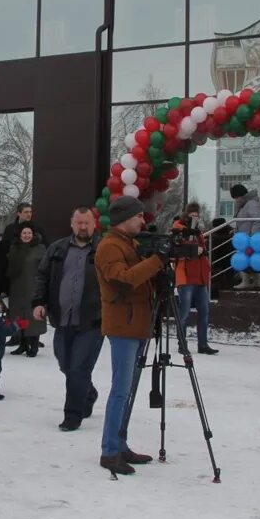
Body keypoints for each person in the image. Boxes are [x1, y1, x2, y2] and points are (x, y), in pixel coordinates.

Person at [94, 195, 165, 476]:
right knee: (120, 390)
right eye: (139, 216)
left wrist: (160, 265)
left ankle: (120, 444)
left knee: (128, 391)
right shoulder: (109, 247)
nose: (143, 220)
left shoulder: (130, 244)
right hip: (123, 326)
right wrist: (157, 261)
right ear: (125, 218)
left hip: (136, 324)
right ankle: (110, 451)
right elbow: (123, 281)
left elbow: (143, 278)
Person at [32, 207, 104, 432]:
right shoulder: (57, 248)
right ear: (72, 224)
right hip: (62, 320)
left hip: (92, 321)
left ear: (94, 224)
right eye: (79, 222)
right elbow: (41, 276)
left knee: (78, 369)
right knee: (65, 364)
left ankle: (72, 415)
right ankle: (88, 393)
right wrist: (38, 302)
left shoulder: (103, 249)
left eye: (87, 223)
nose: (83, 227)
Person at [173, 204, 217, 355]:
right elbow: (175, 249)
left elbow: (203, 250)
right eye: (192, 216)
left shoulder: (198, 233)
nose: (195, 219)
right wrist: (193, 249)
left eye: (197, 216)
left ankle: (203, 344)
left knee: (204, 312)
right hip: (185, 276)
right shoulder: (178, 229)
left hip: (199, 276)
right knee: (184, 313)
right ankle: (182, 344)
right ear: (186, 216)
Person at [6, 222, 47, 357]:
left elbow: (45, 268)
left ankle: (34, 345)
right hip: (17, 287)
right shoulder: (14, 248)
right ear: (20, 234)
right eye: (24, 233)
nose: (27, 235)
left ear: (33, 234)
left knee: (33, 317)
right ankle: (22, 344)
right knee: (19, 315)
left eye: (29, 233)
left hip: (33, 287)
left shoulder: (40, 248)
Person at [228, 184, 260, 289]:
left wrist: (253, 236)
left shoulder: (251, 204)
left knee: (248, 258)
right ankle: (256, 281)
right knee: (250, 258)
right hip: (247, 237)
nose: (236, 200)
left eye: (236, 197)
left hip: (251, 238)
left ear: (240, 195)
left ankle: (247, 281)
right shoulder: (245, 204)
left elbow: (257, 221)